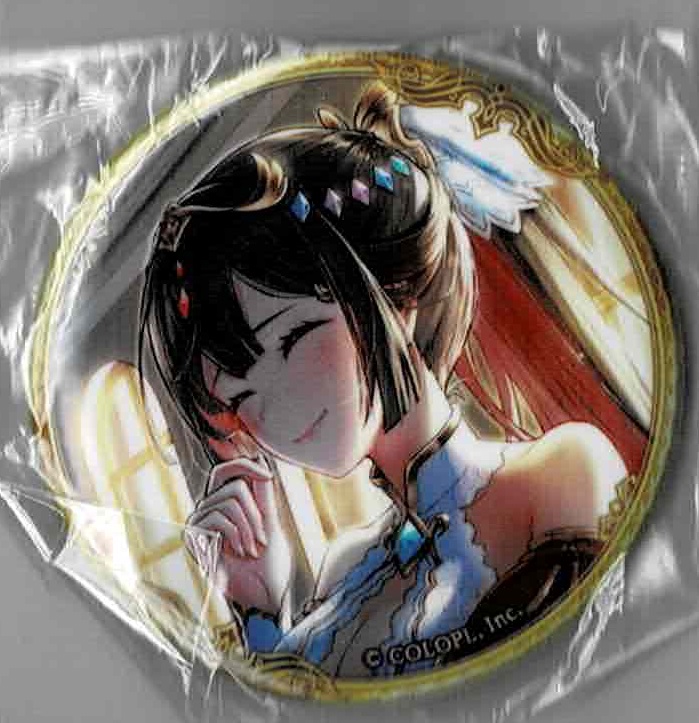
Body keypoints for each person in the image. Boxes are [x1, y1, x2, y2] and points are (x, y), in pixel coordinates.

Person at [139, 82, 646, 677]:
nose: (274, 412)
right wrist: (259, 610)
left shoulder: (562, 469)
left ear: (397, 297)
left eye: (294, 337)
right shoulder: (342, 570)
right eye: (241, 396)